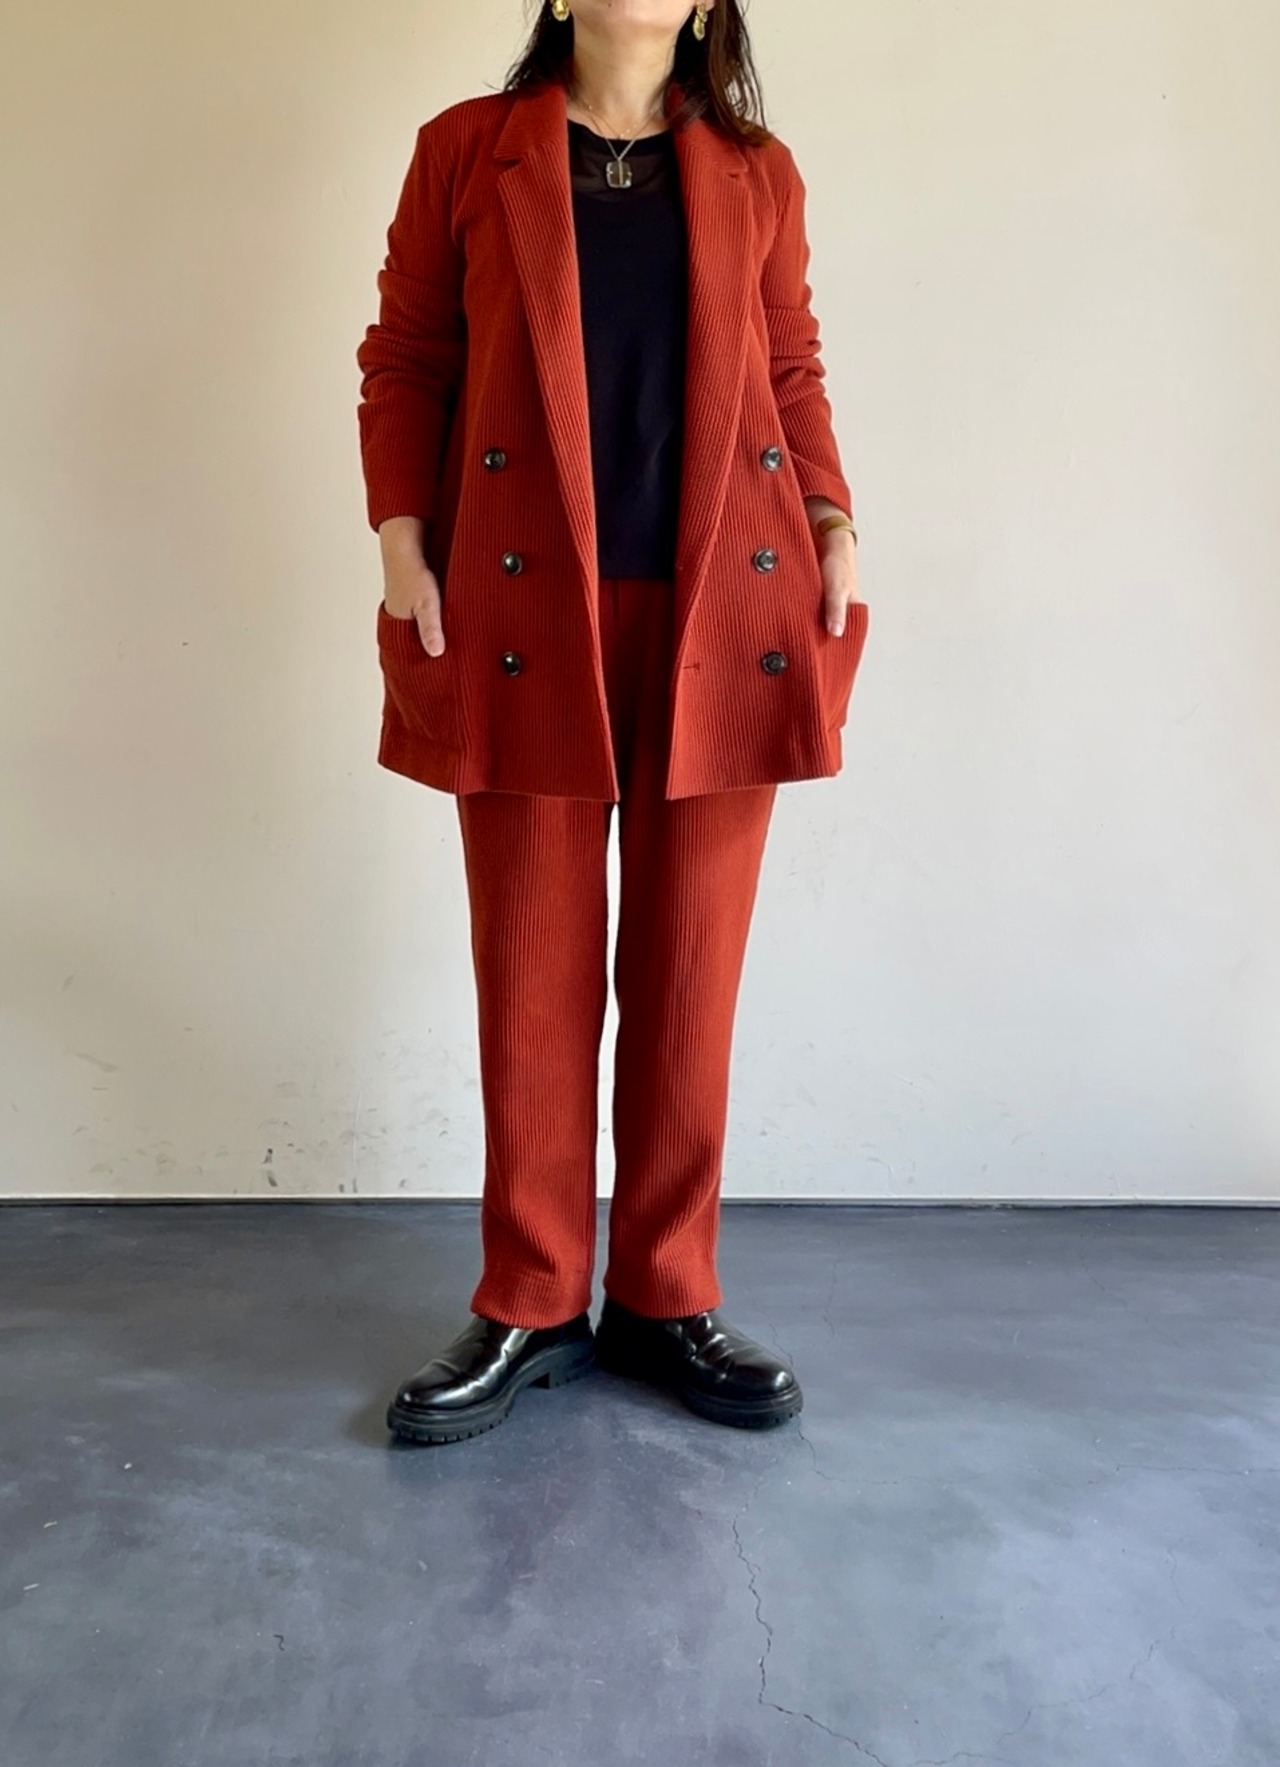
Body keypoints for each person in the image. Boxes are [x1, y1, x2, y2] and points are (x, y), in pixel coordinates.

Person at [355, 0, 867, 1446]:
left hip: (726, 606)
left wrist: (833, 518)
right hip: (529, 606)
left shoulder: (758, 170)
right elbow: (407, 355)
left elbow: (791, 364)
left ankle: (662, 1291)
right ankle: (529, 1299)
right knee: (532, 965)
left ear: (708, 4)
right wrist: (402, 542)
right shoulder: (466, 152)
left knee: (691, 967)